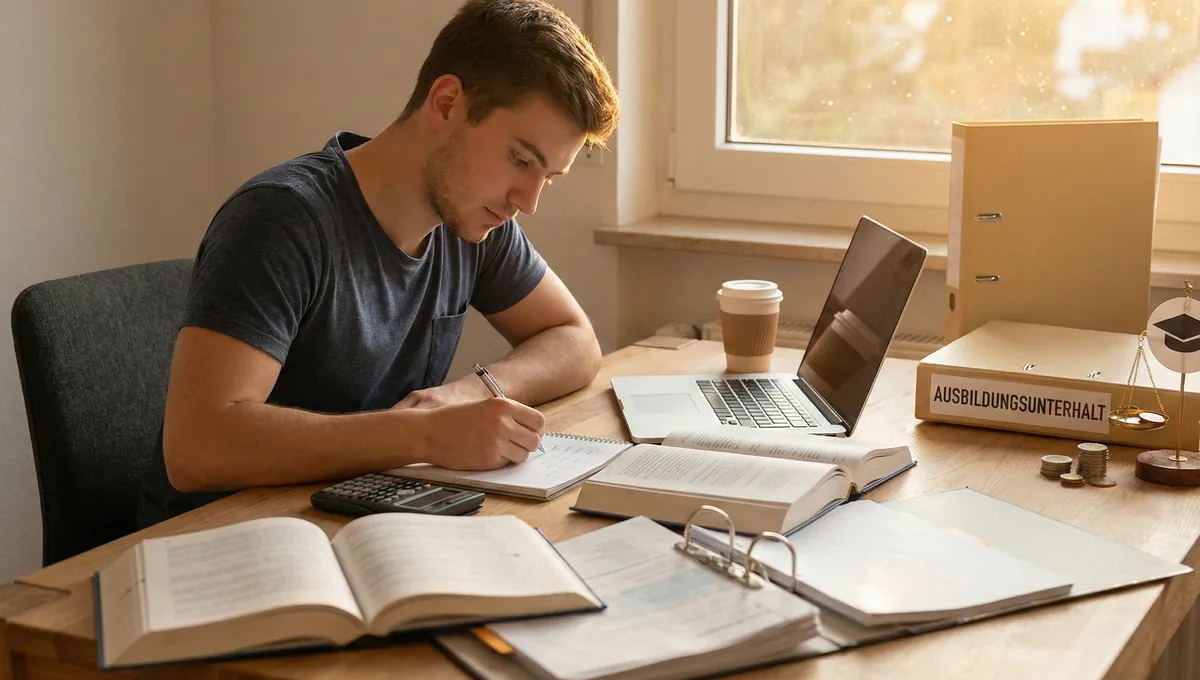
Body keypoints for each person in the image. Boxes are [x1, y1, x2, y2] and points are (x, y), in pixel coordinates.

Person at [134, 0, 619, 527]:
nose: (527, 200)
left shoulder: (475, 220)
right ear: (448, 102)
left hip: (356, 522)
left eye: (547, 177)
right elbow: (198, 448)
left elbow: (574, 339)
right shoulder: (282, 219)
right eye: (521, 160)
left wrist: (468, 393)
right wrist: (426, 435)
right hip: (222, 540)